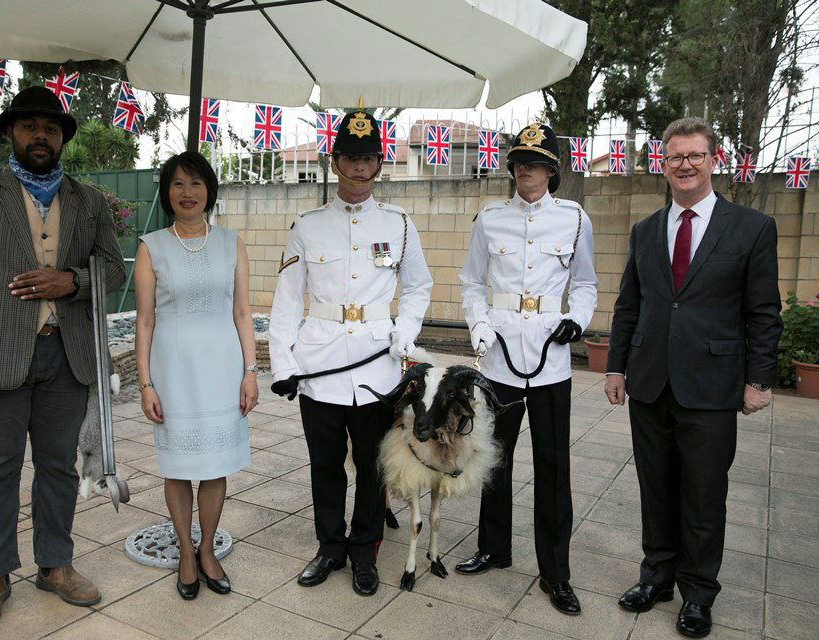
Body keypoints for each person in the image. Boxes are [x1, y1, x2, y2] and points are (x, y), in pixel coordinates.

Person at [0, 86, 126, 632]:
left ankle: (54, 565)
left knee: (57, 470)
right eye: (29, 126)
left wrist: (73, 281)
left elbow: (113, 269)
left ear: (62, 137)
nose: (40, 135)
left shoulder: (87, 198)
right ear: (11, 133)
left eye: (50, 128)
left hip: (66, 355)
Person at [605, 117, 781, 638]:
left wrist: (760, 380)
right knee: (655, 489)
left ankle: (698, 594)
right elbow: (629, 304)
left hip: (712, 386)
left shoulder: (750, 228)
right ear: (663, 163)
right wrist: (616, 365)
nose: (685, 165)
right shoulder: (645, 230)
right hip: (650, 381)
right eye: (675, 156)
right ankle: (656, 577)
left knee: (703, 496)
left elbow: (764, 312)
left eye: (695, 156)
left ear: (714, 161)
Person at [268, 107, 432, 596]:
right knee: (325, 465)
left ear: (380, 164)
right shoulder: (308, 225)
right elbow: (285, 297)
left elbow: (419, 286)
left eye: (368, 158)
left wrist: (404, 331)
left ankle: (365, 552)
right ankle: (329, 547)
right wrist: (284, 363)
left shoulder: (400, 224)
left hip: (377, 367)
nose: (360, 167)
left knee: (372, 466)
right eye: (350, 158)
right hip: (319, 365)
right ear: (335, 162)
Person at [457, 122, 597, 615]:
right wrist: (478, 327)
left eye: (536, 163)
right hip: (499, 357)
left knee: (554, 466)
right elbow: (472, 283)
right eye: (519, 162)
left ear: (552, 169)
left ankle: (555, 572)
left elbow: (585, 284)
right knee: (495, 458)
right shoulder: (490, 218)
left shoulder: (575, 219)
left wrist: (576, 322)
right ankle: (494, 548)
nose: (526, 171)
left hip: (551, 360)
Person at [134, 151, 256, 601]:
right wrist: (146, 383)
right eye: (178, 184)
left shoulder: (231, 242)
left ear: (210, 191)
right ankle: (185, 552)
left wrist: (250, 372)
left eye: (197, 183)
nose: (188, 193)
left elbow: (242, 311)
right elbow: (144, 321)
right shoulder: (151, 245)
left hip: (222, 366)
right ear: (167, 192)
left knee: (216, 465)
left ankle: (208, 549)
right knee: (179, 466)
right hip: (173, 368)